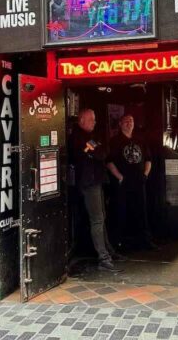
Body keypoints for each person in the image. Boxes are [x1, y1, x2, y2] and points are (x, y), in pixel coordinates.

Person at [69, 109, 123, 272]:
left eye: (94, 119)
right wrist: (95, 148)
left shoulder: (90, 138)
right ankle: (104, 259)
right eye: (91, 119)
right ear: (81, 121)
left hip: (96, 181)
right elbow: (100, 154)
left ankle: (109, 253)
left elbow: (103, 152)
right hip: (89, 183)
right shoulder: (77, 137)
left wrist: (95, 148)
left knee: (101, 217)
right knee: (97, 219)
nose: (94, 122)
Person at [107, 114, 155, 251]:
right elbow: (109, 162)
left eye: (131, 121)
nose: (129, 123)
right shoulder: (114, 141)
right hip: (122, 183)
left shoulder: (140, 140)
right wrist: (119, 177)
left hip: (139, 181)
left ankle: (145, 241)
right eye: (126, 121)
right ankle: (119, 243)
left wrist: (145, 175)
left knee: (142, 211)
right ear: (120, 124)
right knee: (120, 211)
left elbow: (148, 159)